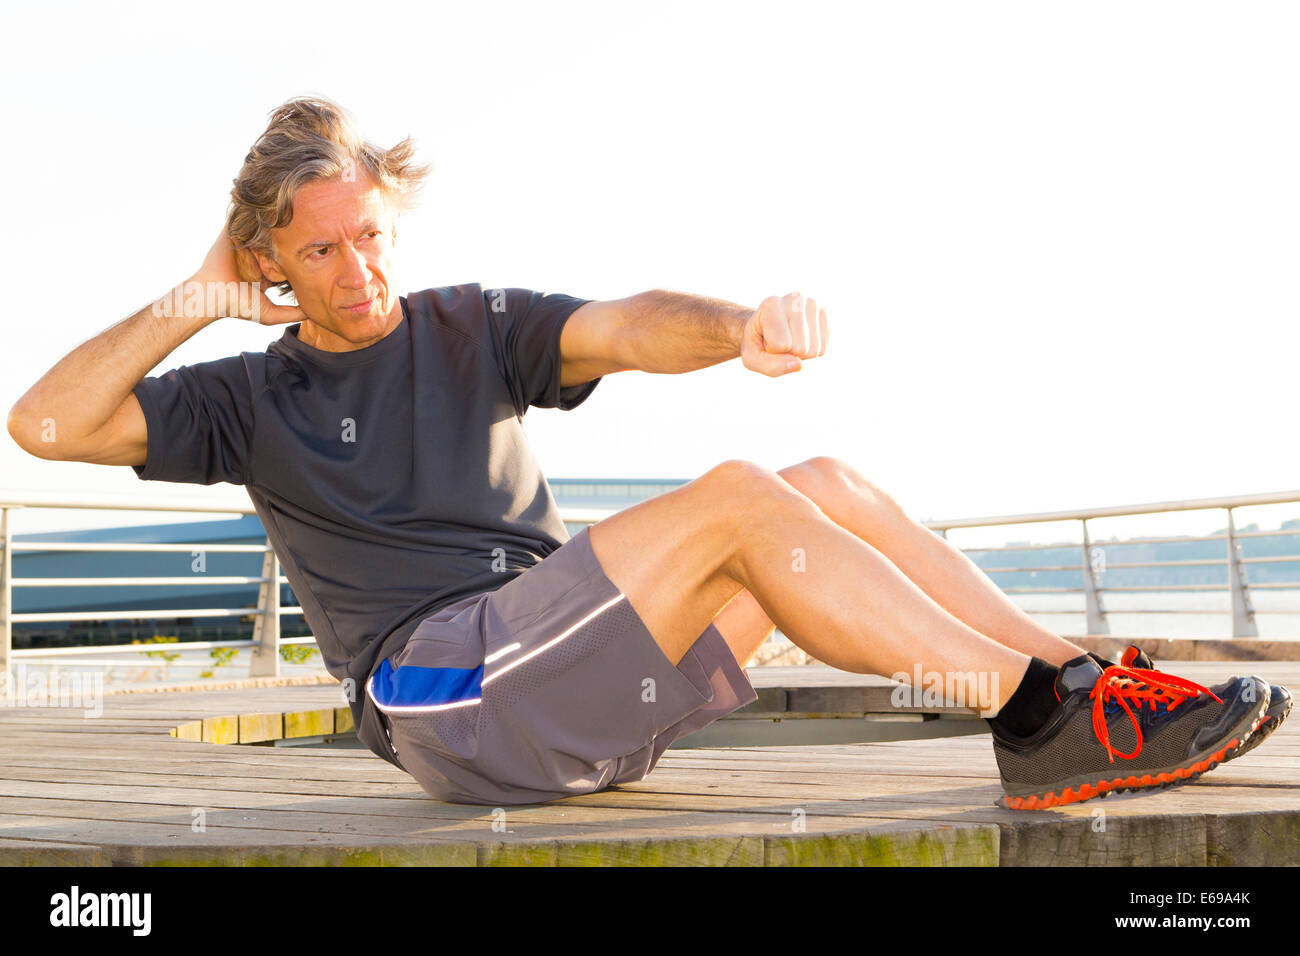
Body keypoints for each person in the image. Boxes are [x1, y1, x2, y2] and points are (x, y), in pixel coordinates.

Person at [8, 95, 1289, 810]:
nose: (364, 266)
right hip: (445, 703)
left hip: (570, 678)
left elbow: (622, 325)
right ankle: (1030, 712)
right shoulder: (241, 398)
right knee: (735, 497)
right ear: (270, 263)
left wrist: (739, 330)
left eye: (373, 233)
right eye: (324, 247)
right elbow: (46, 424)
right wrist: (190, 299)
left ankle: (1084, 697)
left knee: (824, 482)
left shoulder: (470, 326)